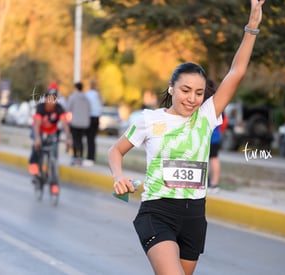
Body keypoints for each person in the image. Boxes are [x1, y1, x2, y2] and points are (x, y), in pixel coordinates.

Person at [107, 1, 264, 274]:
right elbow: (115, 151)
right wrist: (118, 176)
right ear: (171, 88)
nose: (192, 98)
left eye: (199, 93)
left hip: (194, 216)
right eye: (185, 90)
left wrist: (251, 27)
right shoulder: (149, 120)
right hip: (157, 212)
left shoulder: (206, 116)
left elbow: (236, 72)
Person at [28, 87, 72, 194]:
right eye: (50, 98)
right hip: (40, 131)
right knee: (37, 147)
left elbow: (64, 124)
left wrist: (68, 138)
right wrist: (37, 139)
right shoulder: (41, 108)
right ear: (46, 99)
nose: (52, 102)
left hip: (52, 132)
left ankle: (54, 181)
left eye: (54, 99)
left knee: (54, 154)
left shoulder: (59, 108)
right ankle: (35, 172)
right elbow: (37, 125)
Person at [67, 82, 91, 166]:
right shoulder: (86, 98)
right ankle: (80, 157)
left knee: (75, 139)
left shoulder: (73, 97)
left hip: (75, 122)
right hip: (84, 123)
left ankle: (74, 157)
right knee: (81, 140)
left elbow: (68, 108)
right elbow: (89, 109)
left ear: (76, 88)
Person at [84, 79, 103, 166]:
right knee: (93, 139)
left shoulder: (87, 94)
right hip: (96, 118)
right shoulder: (98, 95)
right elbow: (100, 107)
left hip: (89, 117)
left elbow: (86, 106)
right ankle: (92, 157)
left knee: (89, 139)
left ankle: (89, 158)